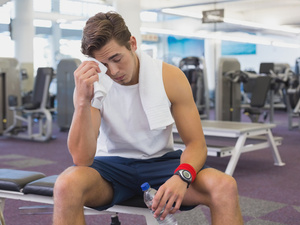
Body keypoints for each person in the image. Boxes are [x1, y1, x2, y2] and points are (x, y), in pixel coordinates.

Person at [53, 11, 243, 225]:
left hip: (161, 163)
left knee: (224, 186)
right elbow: (81, 159)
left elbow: (197, 144)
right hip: (110, 168)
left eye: (117, 59)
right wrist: (81, 102)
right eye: (104, 64)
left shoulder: (170, 77)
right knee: (66, 184)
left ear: (132, 44)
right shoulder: (93, 83)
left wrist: (182, 176)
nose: (113, 71)